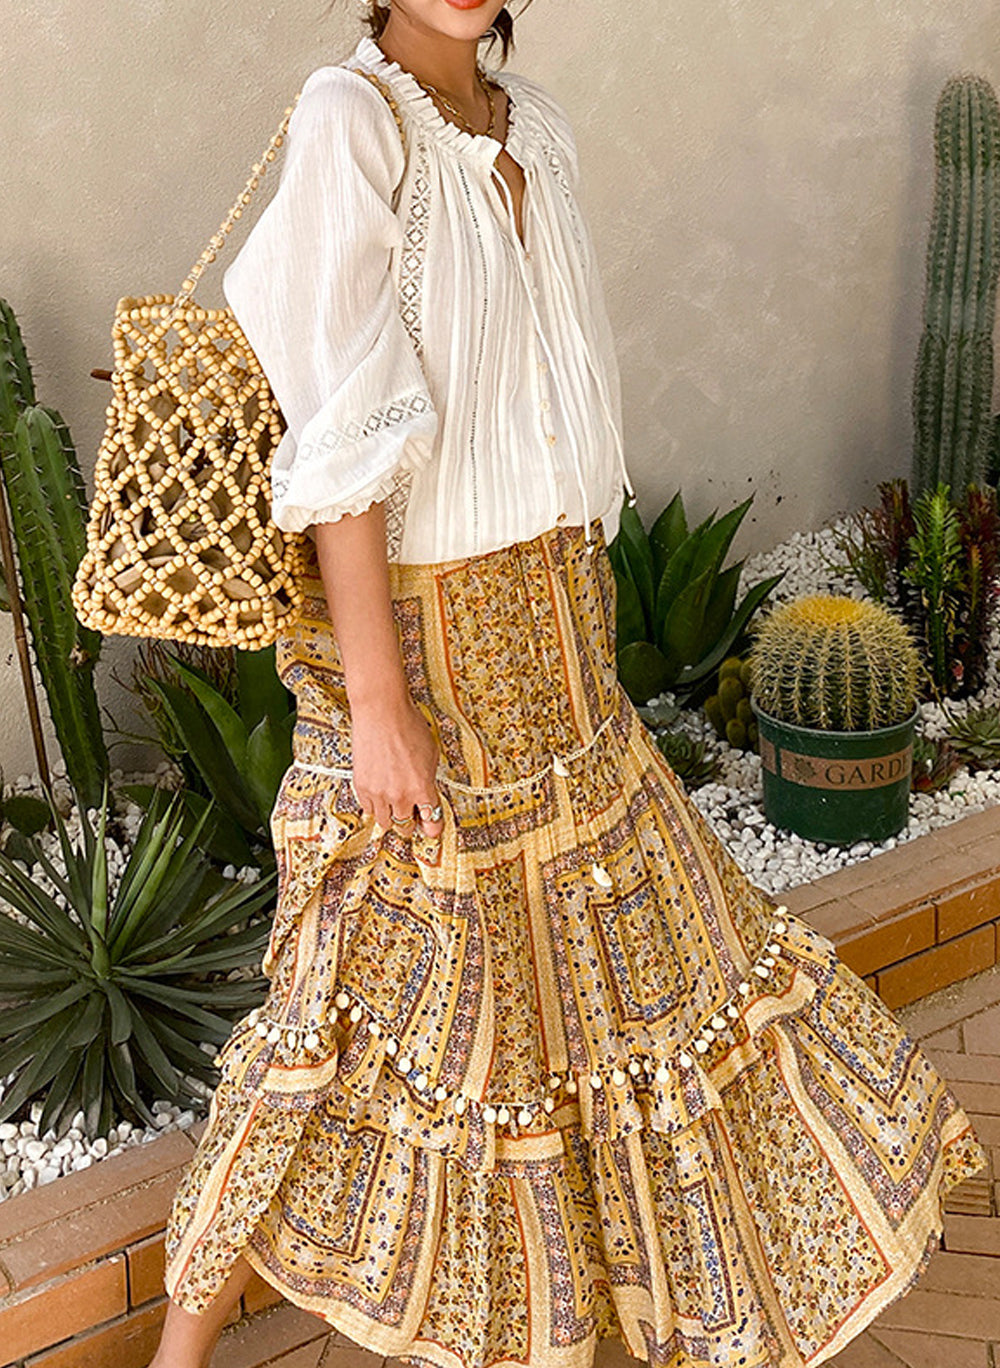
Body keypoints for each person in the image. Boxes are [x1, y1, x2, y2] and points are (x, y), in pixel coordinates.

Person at [152, 3, 989, 1366]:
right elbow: (337, 441)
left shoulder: (534, 124)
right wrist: (378, 704)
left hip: (564, 637)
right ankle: (180, 1356)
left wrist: (578, 640)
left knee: (641, 993)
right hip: (433, 654)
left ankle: (589, 1325)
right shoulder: (348, 123)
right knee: (338, 1005)